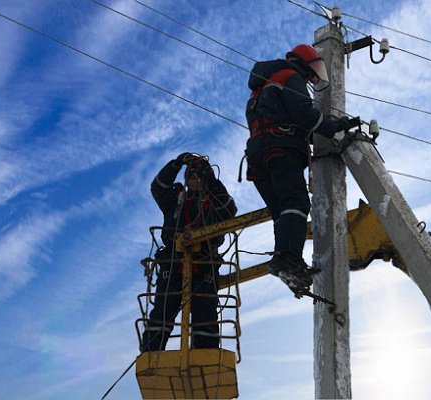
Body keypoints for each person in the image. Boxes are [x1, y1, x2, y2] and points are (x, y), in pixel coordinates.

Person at [245, 44, 354, 292]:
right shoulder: (290, 76)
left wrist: (318, 132)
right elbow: (305, 116)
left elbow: (291, 121)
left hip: (258, 157)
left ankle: (285, 258)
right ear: (303, 62)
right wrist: (333, 126)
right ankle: (288, 259)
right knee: (296, 203)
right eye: (313, 70)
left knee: (283, 212)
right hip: (279, 151)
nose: (313, 78)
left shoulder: (263, 85)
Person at [140, 152, 237, 352]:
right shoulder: (174, 199)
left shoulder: (214, 200)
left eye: (199, 176)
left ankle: (207, 355)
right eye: (191, 175)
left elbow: (230, 210)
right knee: (163, 310)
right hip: (173, 264)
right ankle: (151, 353)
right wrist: (176, 164)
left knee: (205, 315)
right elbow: (157, 187)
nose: (195, 179)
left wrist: (212, 179)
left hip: (205, 264)